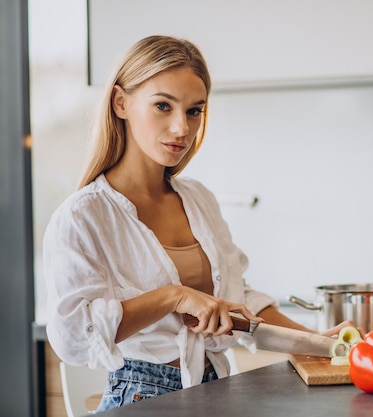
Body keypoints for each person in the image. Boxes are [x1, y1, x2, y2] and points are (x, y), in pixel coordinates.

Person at [43, 35, 353, 412]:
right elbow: (73, 336)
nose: (181, 129)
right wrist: (173, 296)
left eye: (194, 111)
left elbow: (240, 302)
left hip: (214, 390)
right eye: (163, 106)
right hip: (140, 397)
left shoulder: (198, 199)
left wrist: (319, 342)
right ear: (120, 102)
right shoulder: (83, 215)